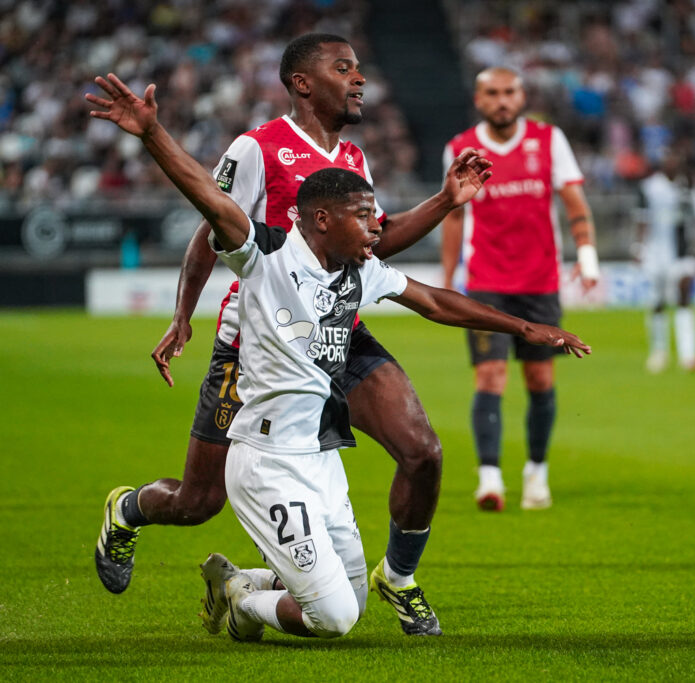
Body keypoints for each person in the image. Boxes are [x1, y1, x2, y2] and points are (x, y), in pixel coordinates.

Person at [87, 73, 590, 642]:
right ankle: (130, 511)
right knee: (199, 500)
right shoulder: (258, 158)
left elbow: (392, 257)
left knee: (422, 451)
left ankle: (397, 577)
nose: (359, 78)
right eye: (343, 67)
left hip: (340, 324)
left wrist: (456, 214)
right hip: (260, 336)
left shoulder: (352, 165)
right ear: (304, 81)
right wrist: (154, 140)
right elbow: (213, 215)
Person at [440, 67, 599, 512]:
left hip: (540, 282)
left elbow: (574, 201)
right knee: (490, 376)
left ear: (522, 95)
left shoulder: (550, 140)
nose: (502, 100)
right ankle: (490, 477)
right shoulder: (459, 149)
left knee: (540, 377)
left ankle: (536, 471)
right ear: (479, 99)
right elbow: (452, 215)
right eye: (493, 93)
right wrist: (448, 275)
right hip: (486, 283)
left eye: (509, 92)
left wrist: (587, 258)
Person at [633, 149, 695, 373]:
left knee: (684, 296)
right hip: (656, 254)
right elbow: (642, 219)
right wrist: (638, 248)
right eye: (668, 157)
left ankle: (689, 356)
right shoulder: (650, 187)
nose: (672, 162)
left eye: (676, 158)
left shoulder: (690, 188)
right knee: (658, 303)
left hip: (683, 253)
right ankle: (659, 352)